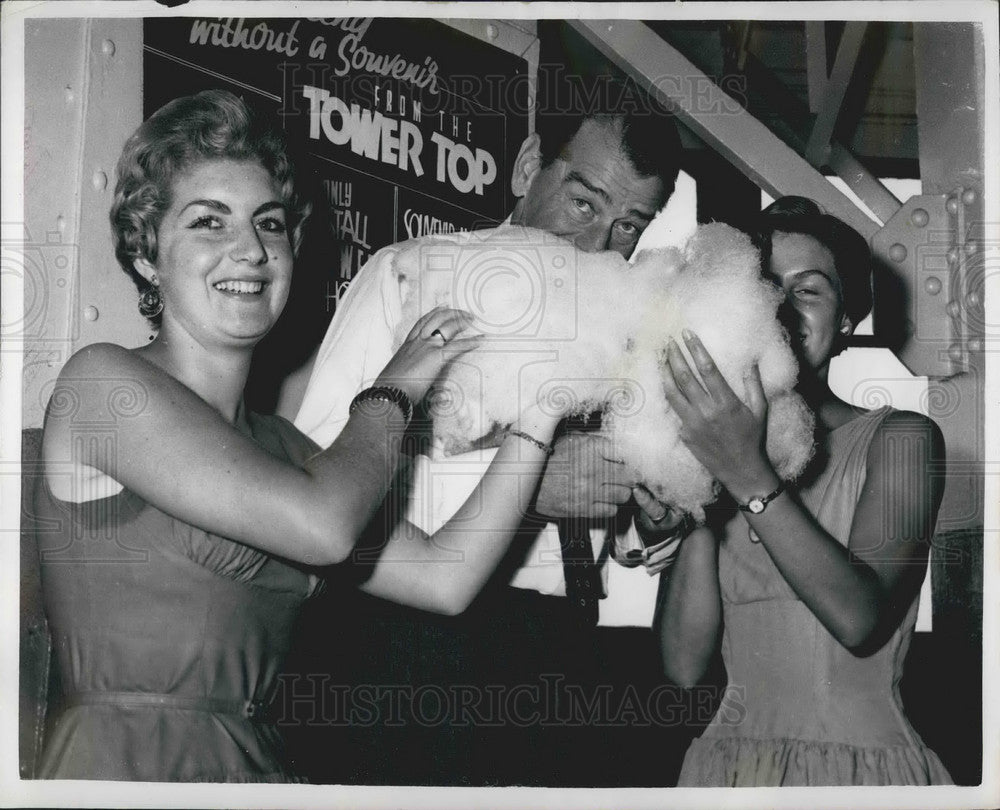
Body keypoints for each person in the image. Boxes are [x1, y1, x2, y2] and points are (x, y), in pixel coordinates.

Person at [33, 89, 567, 783]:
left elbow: (447, 577)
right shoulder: (102, 382)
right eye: (209, 222)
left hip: (255, 771)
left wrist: (544, 408)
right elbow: (324, 528)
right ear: (145, 255)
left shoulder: (287, 450)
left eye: (270, 223)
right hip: (125, 771)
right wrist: (396, 384)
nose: (251, 249)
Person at [288, 90, 692, 786]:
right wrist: (527, 488)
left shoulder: (628, 321)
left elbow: (626, 539)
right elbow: (319, 482)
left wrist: (654, 517)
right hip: (408, 646)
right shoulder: (411, 274)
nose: (599, 247)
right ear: (529, 165)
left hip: (563, 647)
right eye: (584, 204)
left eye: (629, 226)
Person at [654, 196, 952, 786]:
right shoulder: (715, 447)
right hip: (727, 771)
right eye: (764, 287)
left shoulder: (902, 439)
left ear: (846, 320)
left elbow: (859, 621)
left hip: (857, 772)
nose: (781, 307)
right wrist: (703, 496)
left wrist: (744, 472)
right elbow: (683, 668)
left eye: (808, 290)